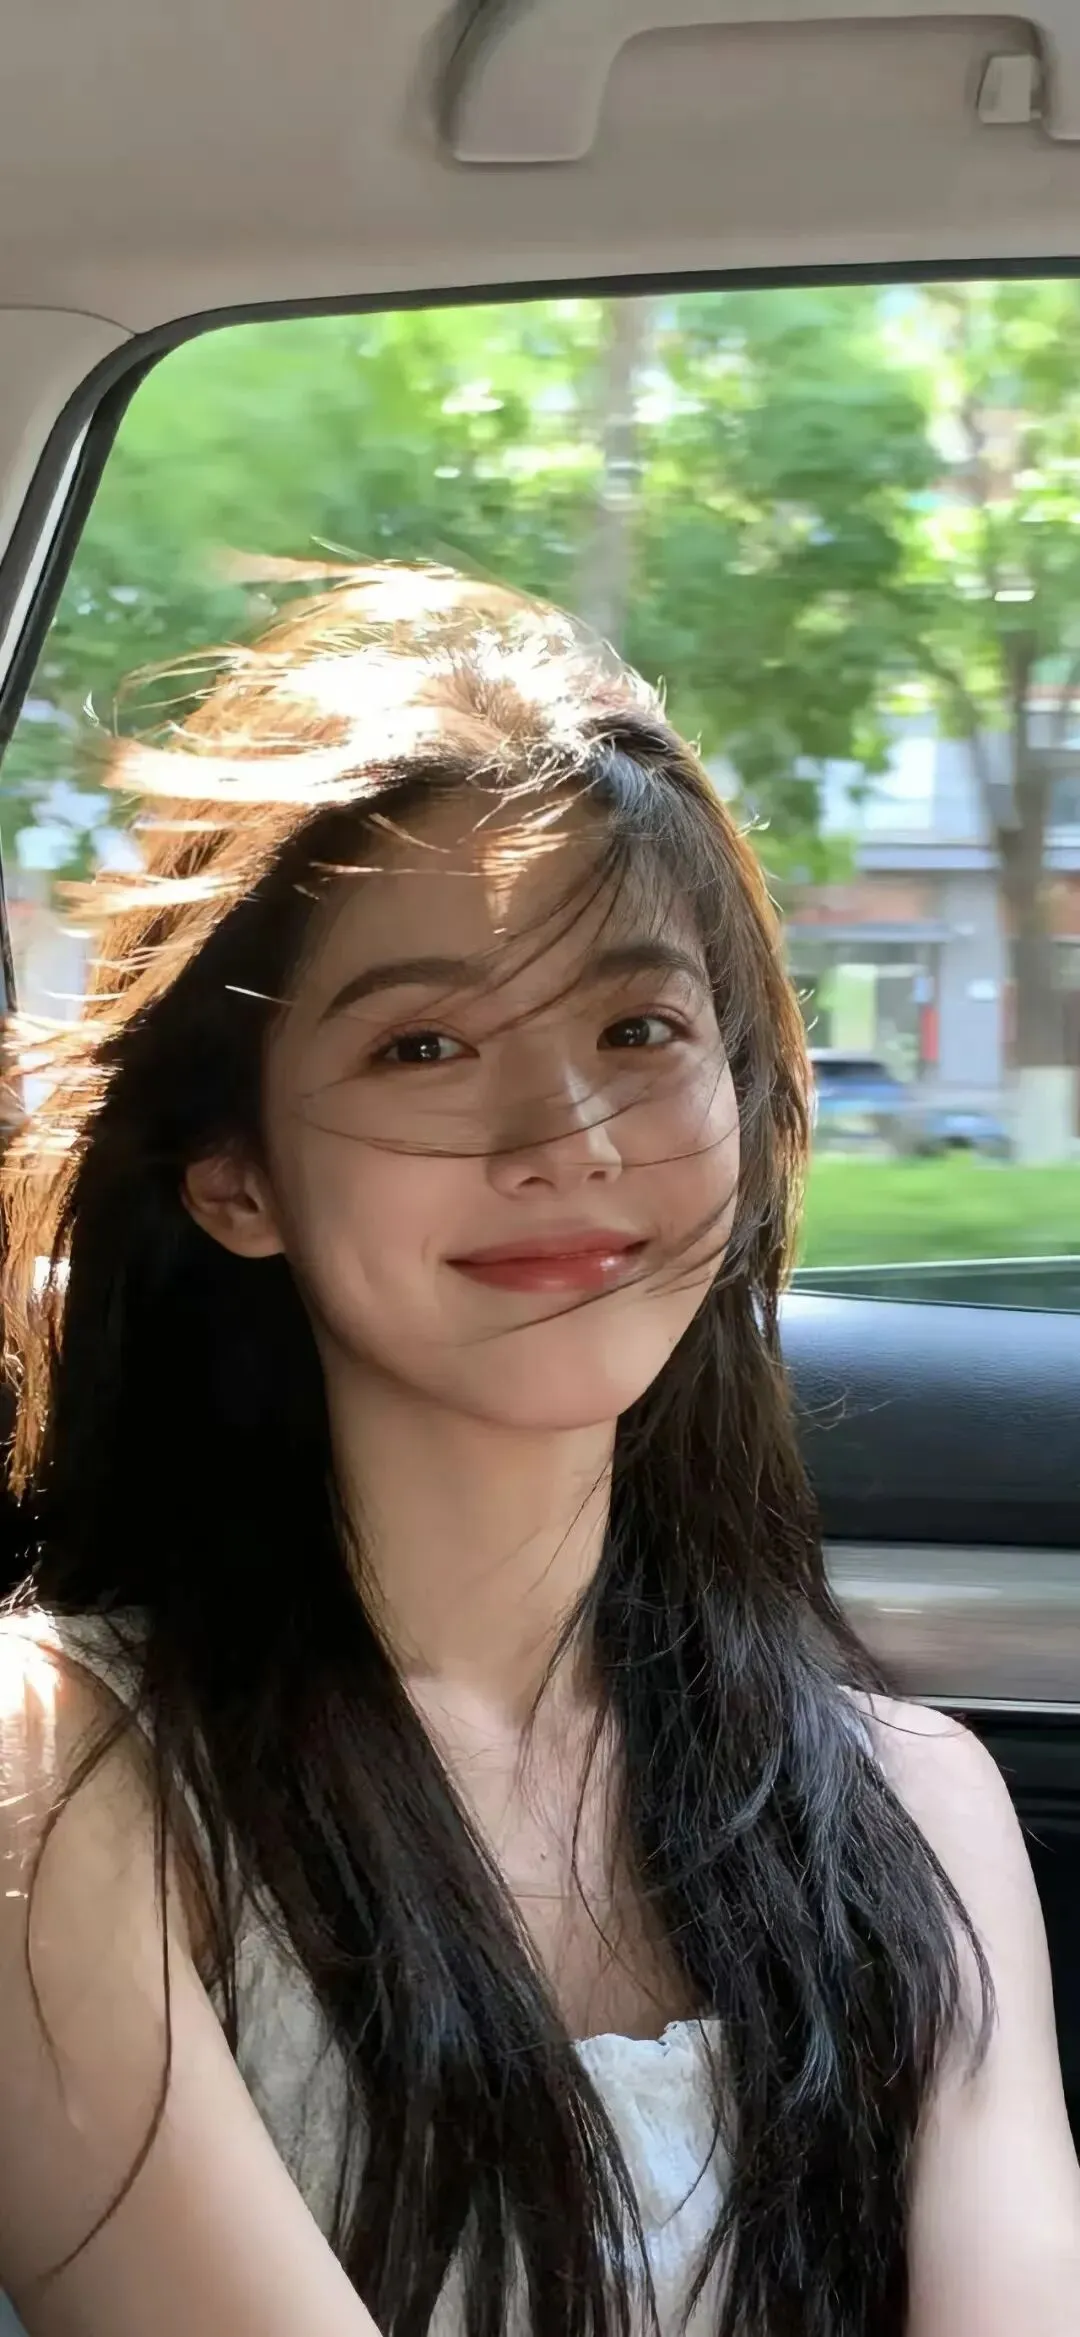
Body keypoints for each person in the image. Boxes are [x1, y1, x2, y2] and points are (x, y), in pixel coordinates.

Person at [0, 565, 1076, 2337]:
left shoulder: (922, 1810)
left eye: (638, 1030)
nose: (568, 1134)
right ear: (235, 1178)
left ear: (747, 1108)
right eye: (423, 1044)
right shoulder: (65, 1784)